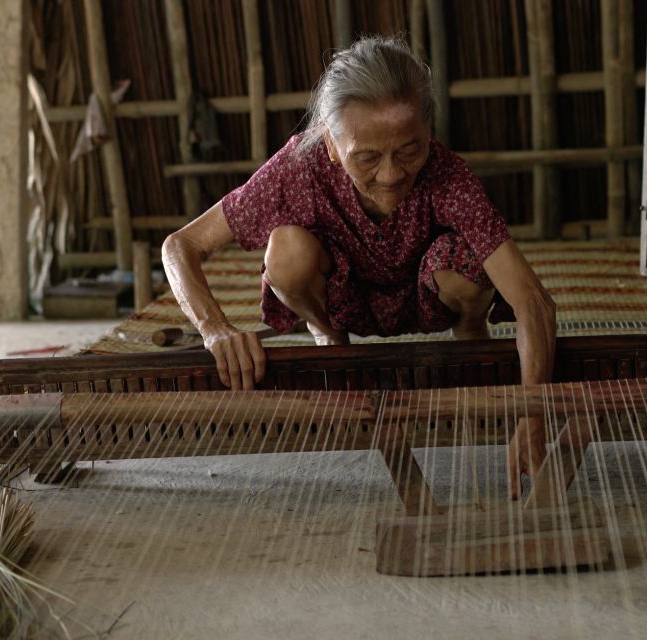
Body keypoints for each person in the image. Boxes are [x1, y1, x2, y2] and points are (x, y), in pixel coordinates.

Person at [162, 35, 556, 497]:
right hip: (343, 299)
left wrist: (534, 415)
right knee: (286, 251)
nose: (390, 174)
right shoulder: (300, 166)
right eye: (366, 157)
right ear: (330, 145)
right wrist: (215, 329)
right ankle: (327, 334)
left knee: (465, 260)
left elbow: (533, 302)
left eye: (409, 151)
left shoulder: (449, 175)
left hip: (428, 295)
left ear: (429, 132)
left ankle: (470, 337)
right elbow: (181, 245)